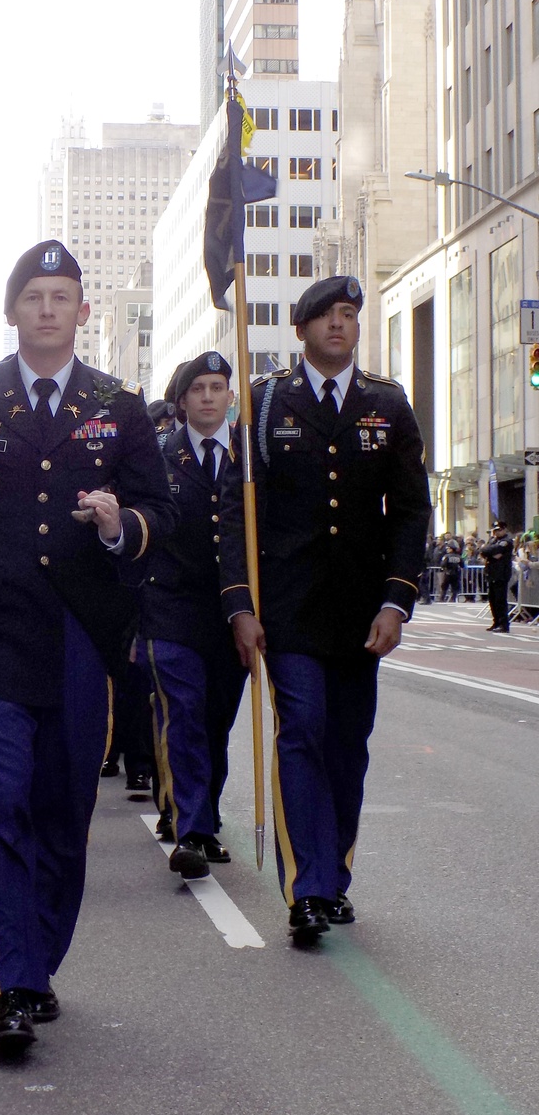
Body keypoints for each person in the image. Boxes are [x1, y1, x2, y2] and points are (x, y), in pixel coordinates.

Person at [0, 239, 176, 1056]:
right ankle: (11, 983)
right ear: (13, 311)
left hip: (81, 638)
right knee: (1, 801)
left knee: (64, 811)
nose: (49, 308)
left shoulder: (119, 406)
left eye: (63, 296)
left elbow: (160, 514)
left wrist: (118, 524)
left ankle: (40, 960)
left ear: (84, 312)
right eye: (35, 296)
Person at [219, 275, 431, 945]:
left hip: (360, 611)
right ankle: (305, 886)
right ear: (301, 330)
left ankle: (333, 871)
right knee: (302, 729)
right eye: (326, 317)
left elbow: (411, 509)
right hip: (288, 610)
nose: (340, 325)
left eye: (349, 315)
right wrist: (240, 606)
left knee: (347, 746)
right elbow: (233, 512)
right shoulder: (262, 404)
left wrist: (397, 598)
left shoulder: (387, 405)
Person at [137, 351, 248, 879]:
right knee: (182, 712)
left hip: (230, 612)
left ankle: (200, 811)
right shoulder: (159, 457)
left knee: (216, 721)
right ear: (181, 402)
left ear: (230, 396)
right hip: (171, 606)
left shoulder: (251, 457)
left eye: (218, 386)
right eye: (199, 388)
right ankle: (193, 831)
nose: (209, 396)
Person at [480, 520, 515, 632]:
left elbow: (496, 551)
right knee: (492, 600)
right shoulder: (493, 540)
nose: (496, 533)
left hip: (501, 573)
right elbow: (484, 550)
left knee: (500, 600)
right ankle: (496, 622)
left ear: (504, 529)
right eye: (495, 530)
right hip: (491, 573)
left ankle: (504, 624)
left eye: (499, 530)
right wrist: (489, 553)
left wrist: (489, 553)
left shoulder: (507, 541)